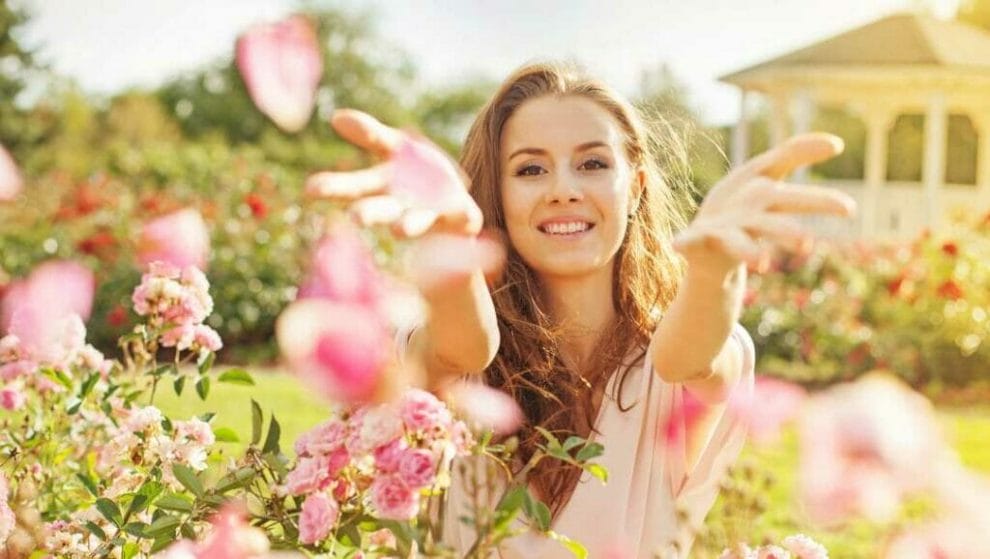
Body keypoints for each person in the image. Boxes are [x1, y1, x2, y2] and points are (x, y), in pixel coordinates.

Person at [306, 61, 855, 558]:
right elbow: (466, 347)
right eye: (529, 170)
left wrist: (713, 273)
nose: (564, 189)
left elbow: (686, 358)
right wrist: (455, 245)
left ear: (635, 185)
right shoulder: (445, 344)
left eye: (592, 163)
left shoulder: (690, 357)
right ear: (494, 193)